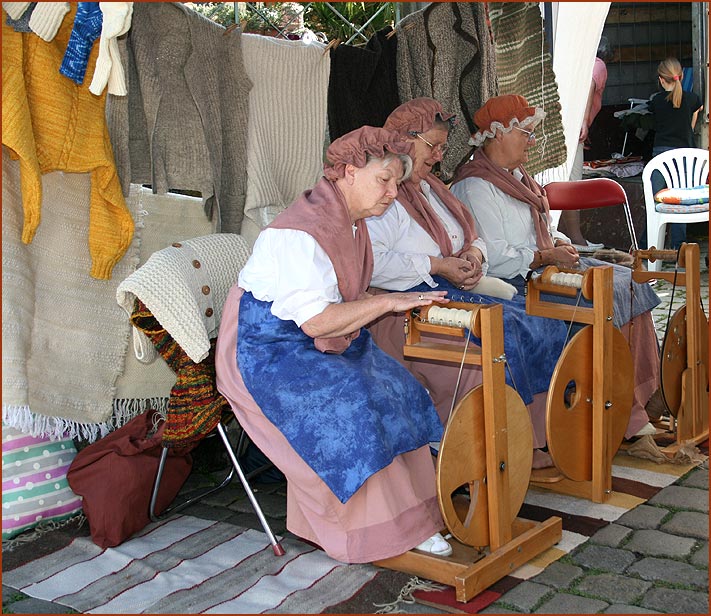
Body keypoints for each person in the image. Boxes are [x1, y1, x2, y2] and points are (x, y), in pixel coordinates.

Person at [215, 126, 454, 563]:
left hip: (310, 338)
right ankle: (377, 530)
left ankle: (416, 511)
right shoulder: (300, 233)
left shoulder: (350, 221)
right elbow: (317, 320)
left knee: (394, 383)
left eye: (396, 184)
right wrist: (389, 301)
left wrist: (389, 301)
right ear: (347, 172)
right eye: (383, 181)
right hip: (263, 351)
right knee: (352, 401)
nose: (392, 194)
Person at [366, 97, 569, 468]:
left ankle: (532, 436)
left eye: (443, 147)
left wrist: (474, 257)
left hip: (448, 294)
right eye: (434, 146)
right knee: (500, 333)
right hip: (403, 312)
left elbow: (471, 235)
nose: (440, 157)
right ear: (402, 140)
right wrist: (439, 264)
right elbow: (373, 264)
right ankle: (480, 453)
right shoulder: (381, 194)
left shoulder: (430, 189)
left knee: (530, 320)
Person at [450, 94, 661, 440]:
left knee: (630, 282)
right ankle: (616, 413)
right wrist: (548, 257)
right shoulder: (475, 187)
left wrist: (559, 240)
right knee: (603, 297)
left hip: (544, 268)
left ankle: (640, 395)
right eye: (526, 134)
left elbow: (543, 229)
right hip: (519, 283)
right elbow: (497, 257)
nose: (531, 142)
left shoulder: (517, 177)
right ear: (499, 134)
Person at [559, 36, 614, 250]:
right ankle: (576, 239)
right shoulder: (597, 64)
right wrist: (583, 121)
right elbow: (589, 87)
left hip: (566, 126)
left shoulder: (576, 61)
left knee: (565, 183)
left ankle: (566, 236)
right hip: (572, 129)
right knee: (572, 184)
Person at [647, 57, 704, 249]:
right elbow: (699, 108)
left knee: (654, 203)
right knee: (681, 203)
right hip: (684, 157)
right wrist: (690, 125)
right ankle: (679, 247)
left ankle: (647, 247)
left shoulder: (655, 101)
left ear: (661, 80)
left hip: (661, 156)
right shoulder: (692, 98)